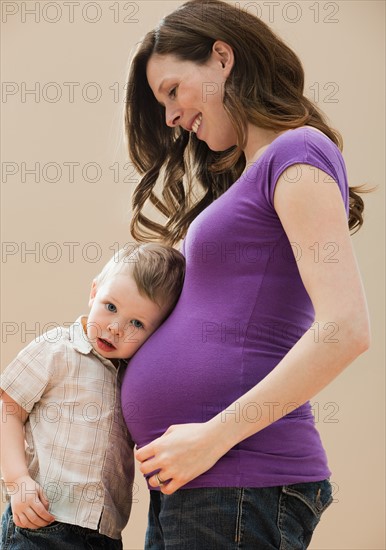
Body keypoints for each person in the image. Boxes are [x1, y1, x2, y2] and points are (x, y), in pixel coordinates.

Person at [120, 0, 371, 548]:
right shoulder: (247, 178)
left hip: (240, 480)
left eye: (172, 90)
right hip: (200, 484)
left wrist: (212, 438)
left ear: (222, 58)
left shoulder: (297, 150)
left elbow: (346, 328)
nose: (169, 117)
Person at [0, 243, 185, 550]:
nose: (115, 328)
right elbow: (8, 408)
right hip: (43, 523)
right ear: (94, 292)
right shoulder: (58, 348)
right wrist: (18, 481)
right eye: (110, 306)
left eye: (136, 324)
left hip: (104, 535)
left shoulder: (134, 378)